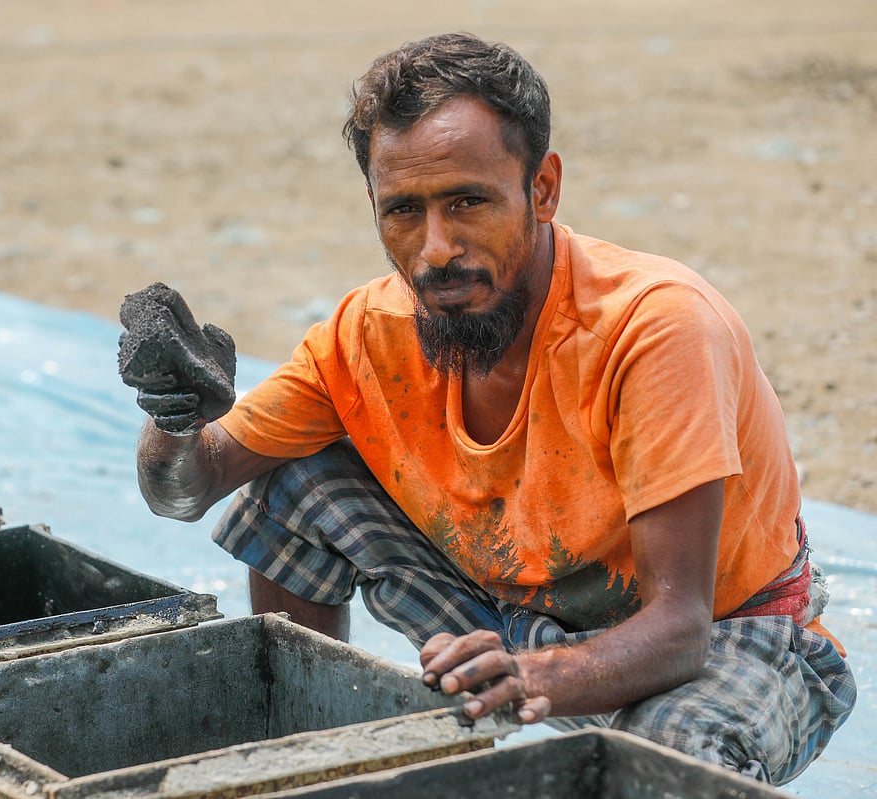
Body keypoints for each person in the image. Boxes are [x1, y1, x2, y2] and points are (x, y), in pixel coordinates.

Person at [117, 32, 855, 785]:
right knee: (290, 482)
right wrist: (176, 416)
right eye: (403, 210)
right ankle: (307, 763)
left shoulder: (655, 328)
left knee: (659, 762)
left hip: (733, 641)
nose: (435, 250)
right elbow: (182, 490)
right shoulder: (363, 338)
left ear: (542, 189)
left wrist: (534, 677)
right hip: (513, 619)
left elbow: (680, 629)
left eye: (466, 201)